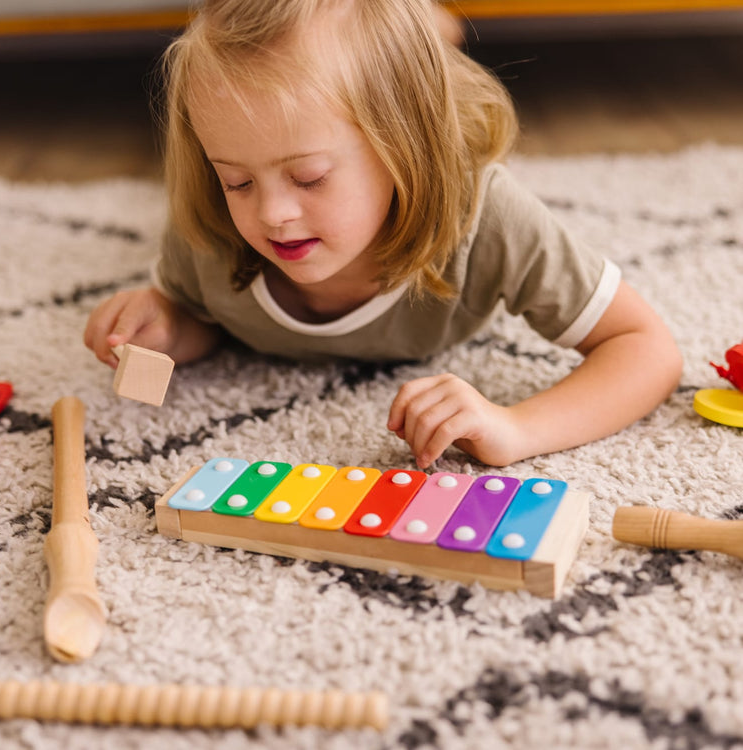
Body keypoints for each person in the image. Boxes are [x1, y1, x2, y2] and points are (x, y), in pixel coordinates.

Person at [84, 0, 682, 469]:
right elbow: (207, 317)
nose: (272, 214)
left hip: (424, 115)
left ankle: (430, 29)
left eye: (308, 177)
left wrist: (518, 426)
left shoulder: (490, 218)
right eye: (237, 180)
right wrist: (167, 327)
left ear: (404, 151)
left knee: (427, 68)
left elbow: (646, 347)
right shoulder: (207, 228)